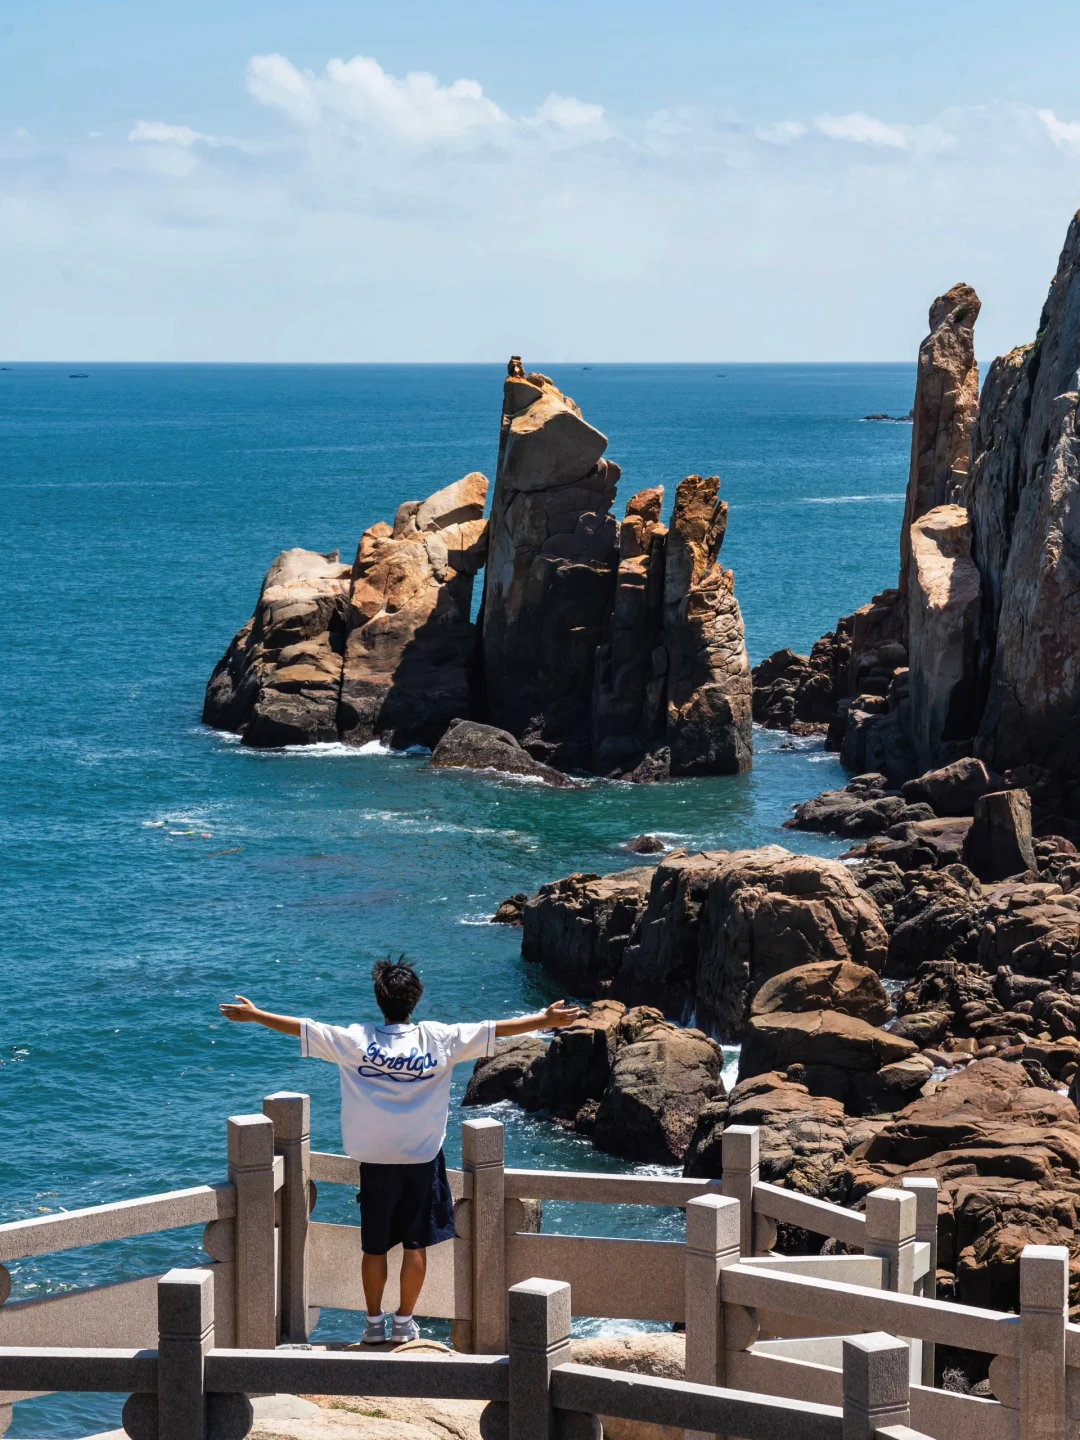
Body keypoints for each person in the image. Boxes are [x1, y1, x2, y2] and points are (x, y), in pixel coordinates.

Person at [219, 956, 584, 1344]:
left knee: (374, 1247)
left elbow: (304, 1028)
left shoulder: (356, 1039)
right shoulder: (439, 1038)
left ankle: (374, 1324)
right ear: (416, 998)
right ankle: (405, 1322)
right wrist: (545, 1020)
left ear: (380, 1000)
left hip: (374, 1161)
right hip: (422, 1160)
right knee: (415, 1245)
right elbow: (496, 1029)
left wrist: (256, 1015)